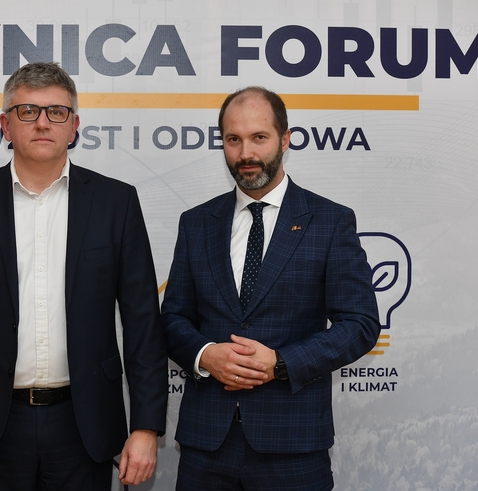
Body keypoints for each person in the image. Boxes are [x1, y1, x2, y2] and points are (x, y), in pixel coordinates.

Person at [0, 62, 168, 491]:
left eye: (56, 112)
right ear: (5, 125)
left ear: (74, 127)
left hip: (84, 425)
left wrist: (145, 427)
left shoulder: (116, 203)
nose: (43, 123)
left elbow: (143, 322)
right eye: (28, 111)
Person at [161, 86, 380, 491]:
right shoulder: (196, 223)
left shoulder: (330, 222)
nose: (245, 153)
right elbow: (173, 318)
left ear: (285, 139)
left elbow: (360, 325)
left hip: (293, 446)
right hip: (205, 446)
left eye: (259, 137)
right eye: (233, 139)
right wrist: (206, 355)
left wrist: (280, 363)